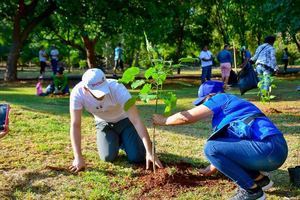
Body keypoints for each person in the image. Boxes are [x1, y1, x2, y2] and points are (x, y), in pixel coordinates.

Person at [152, 80, 288, 200]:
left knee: (210, 147)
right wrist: (214, 165)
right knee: (214, 148)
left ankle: (252, 191)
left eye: (203, 101)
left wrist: (163, 121)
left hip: (267, 148)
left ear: (211, 96)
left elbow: (186, 117)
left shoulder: (221, 98)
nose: (203, 106)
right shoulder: (231, 109)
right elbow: (231, 148)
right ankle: (260, 180)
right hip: (276, 149)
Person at [69, 68, 162, 172]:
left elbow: (136, 120)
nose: (102, 95)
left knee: (137, 157)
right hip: (103, 123)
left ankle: (134, 141)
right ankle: (122, 141)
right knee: (107, 157)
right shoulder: (77, 93)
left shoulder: (117, 87)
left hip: (126, 122)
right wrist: (78, 157)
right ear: (86, 89)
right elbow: (75, 125)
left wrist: (149, 151)